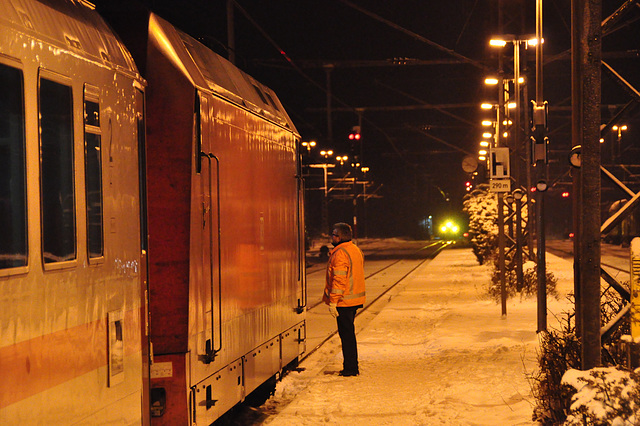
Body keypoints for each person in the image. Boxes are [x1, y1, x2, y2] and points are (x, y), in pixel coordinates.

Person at [322, 222, 365, 376]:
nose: (331, 237)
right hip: (353, 300)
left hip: (344, 301)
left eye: (333, 234)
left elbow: (339, 280)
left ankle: (351, 369)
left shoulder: (340, 253)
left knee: (347, 336)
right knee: (349, 335)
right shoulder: (354, 250)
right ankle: (351, 366)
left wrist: (333, 301)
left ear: (339, 237)